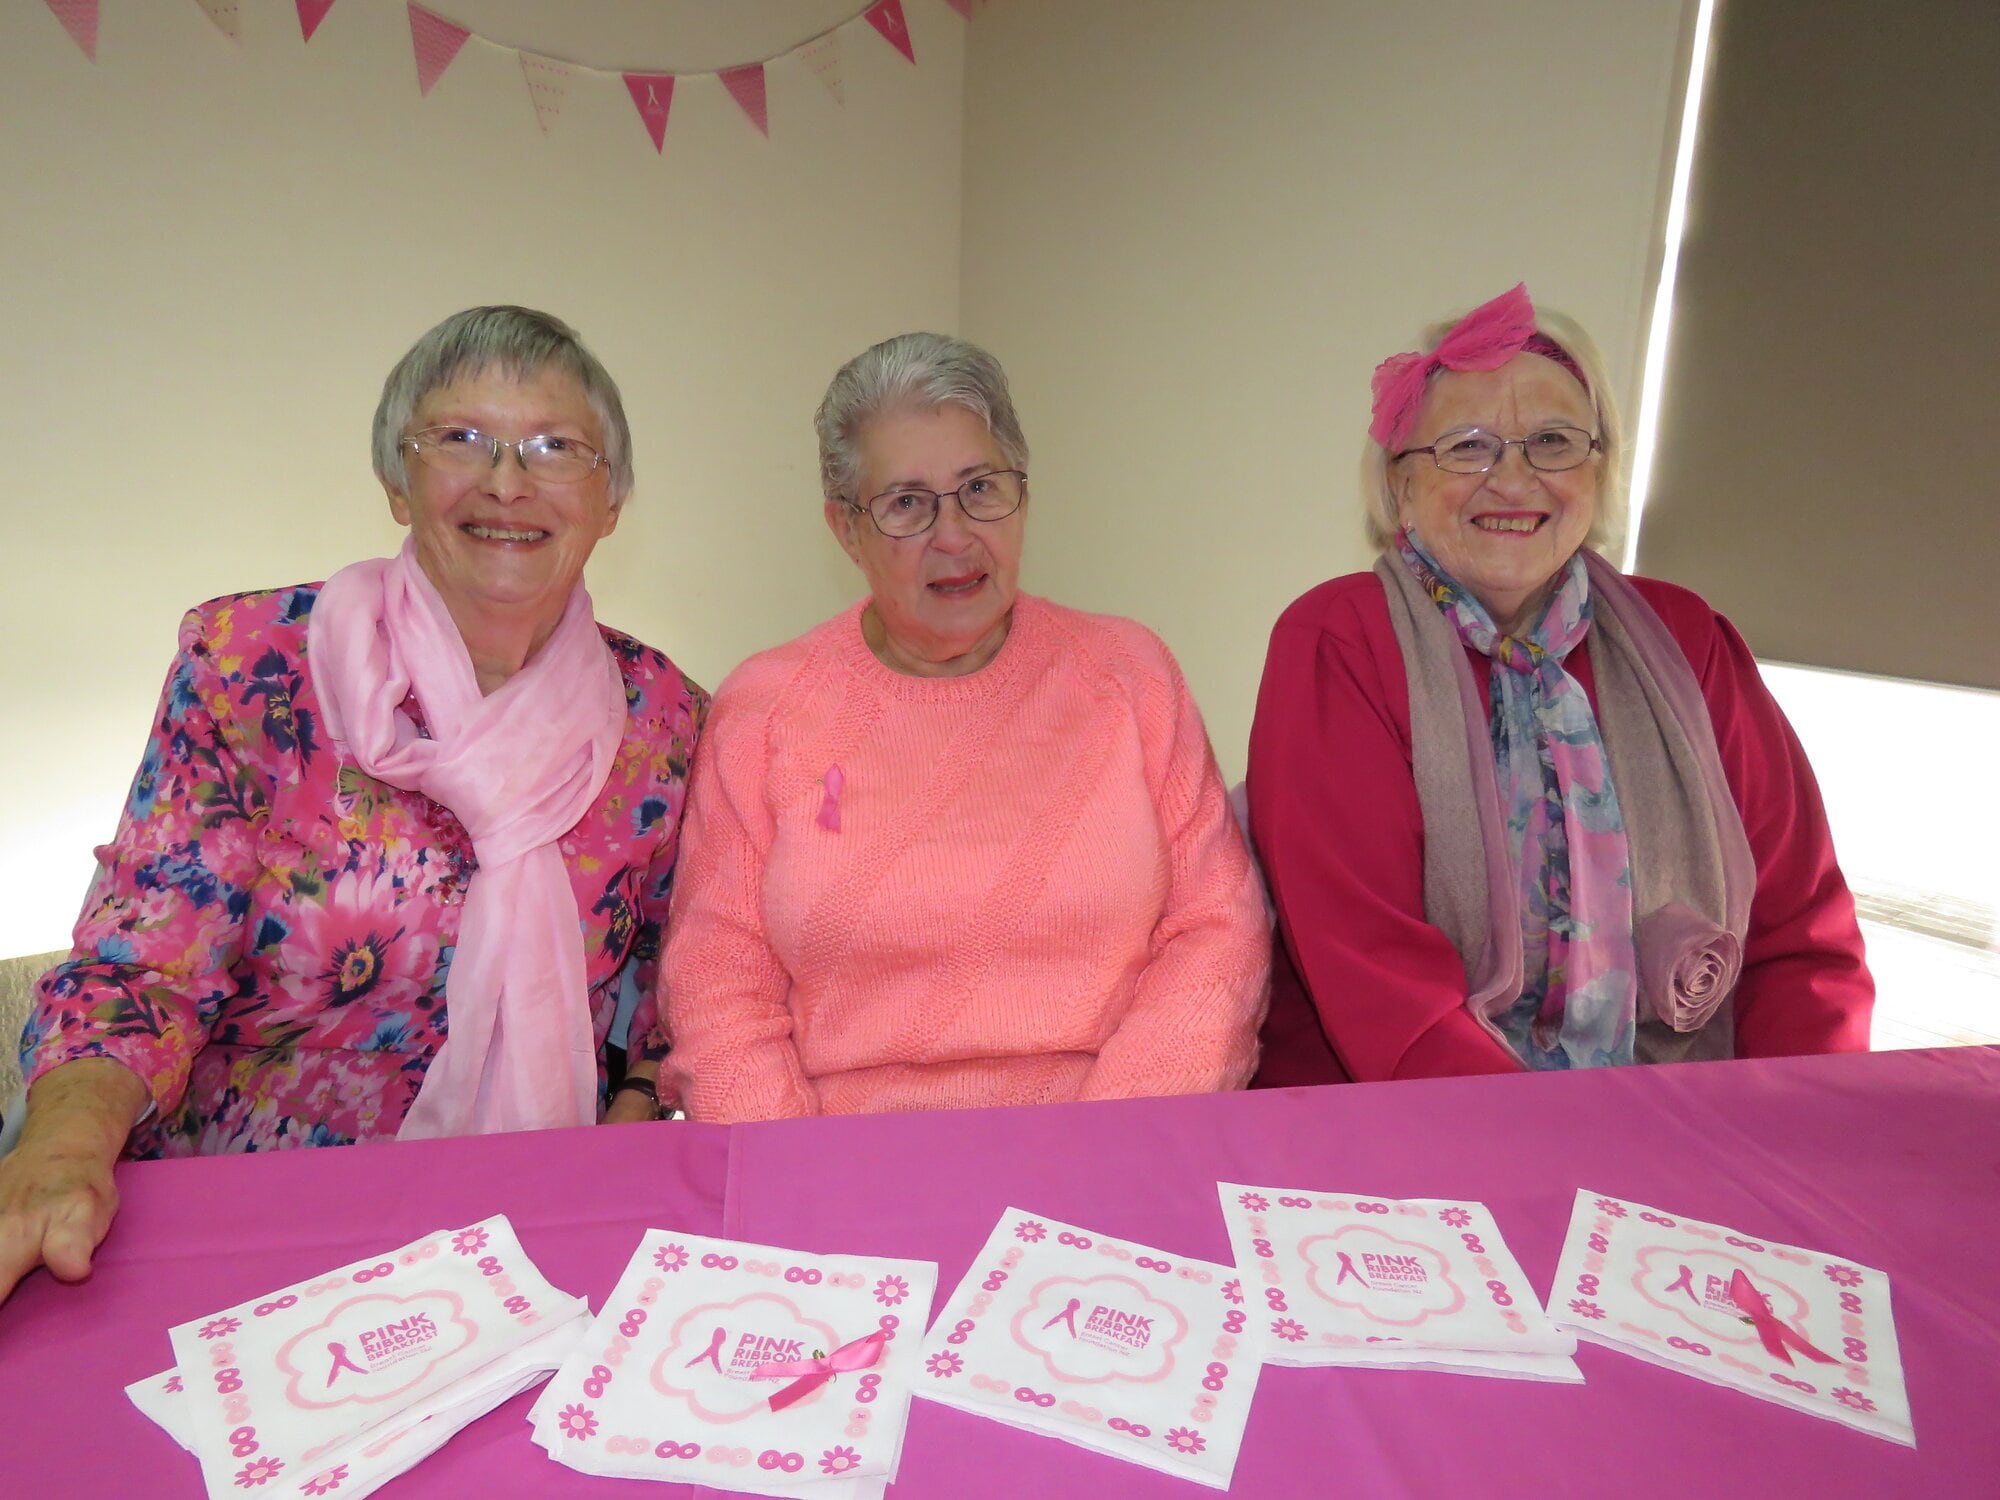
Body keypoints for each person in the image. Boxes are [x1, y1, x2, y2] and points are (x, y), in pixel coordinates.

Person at [3, 306, 706, 1301]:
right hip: (244, 1208)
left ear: (611, 500)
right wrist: (64, 1145)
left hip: (533, 1215)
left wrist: (625, 1130)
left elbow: (671, 974)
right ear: (396, 479)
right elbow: (145, 957)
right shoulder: (254, 661)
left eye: (555, 448)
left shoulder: (663, 717)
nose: (507, 481)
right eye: (462, 439)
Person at [1249, 284, 1872, 1084]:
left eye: (1552, 441)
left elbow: (1802, 938)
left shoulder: (1689, 639)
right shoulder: (1339, 639)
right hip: (1399, 1111)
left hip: (1684, 1106)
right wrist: (1571, 1142)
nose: (1513, 481)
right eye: (1467, 447)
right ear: (1400, 486)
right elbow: (1377, 980)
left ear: (1600, 470)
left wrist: (1797, 1119)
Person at [653, 332, 1268, 1120]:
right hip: (841, 1160)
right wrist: (797, 1178)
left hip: (1111, 1136)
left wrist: (1115, 1146)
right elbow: (718, 980)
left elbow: (1218, 933)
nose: (955, 535)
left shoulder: (1130, 675)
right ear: (846, 529)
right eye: (906, 502)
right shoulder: (767, 708)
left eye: (981, 487)